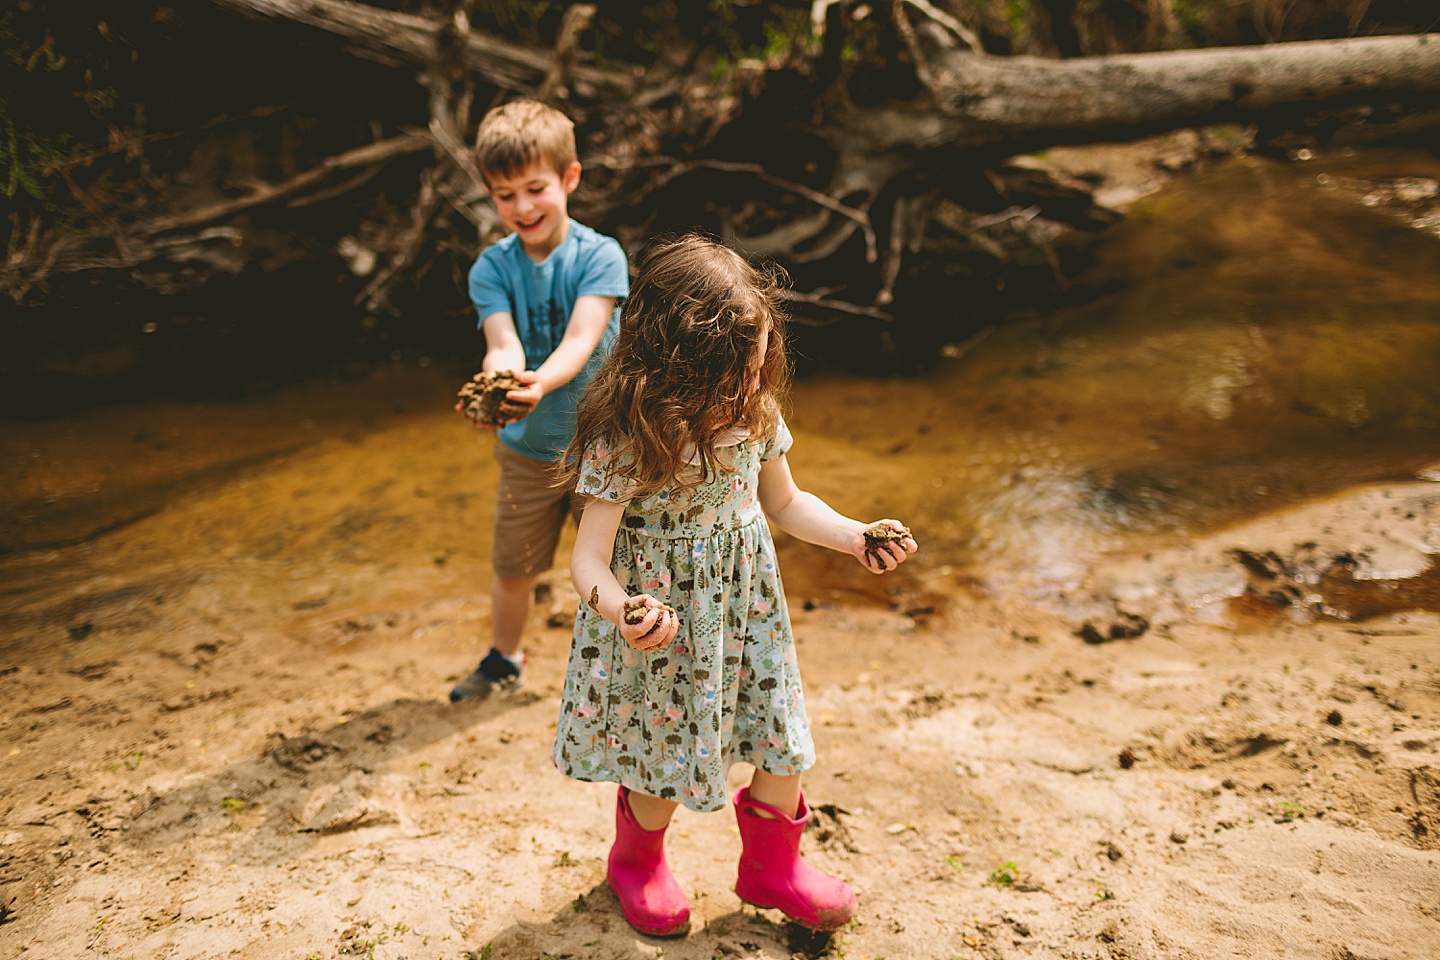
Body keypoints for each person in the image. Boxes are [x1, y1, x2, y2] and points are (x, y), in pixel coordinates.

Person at [552, 235, 918, 936]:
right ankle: (637, 863)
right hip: (663, 633)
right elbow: (586, 563)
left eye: (754, 371)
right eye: (727, 381)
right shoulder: (628, 438)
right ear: (667, 371)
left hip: (749, 619)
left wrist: (852, 535)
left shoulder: (756, 417)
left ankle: (772, 869)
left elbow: (784, 502)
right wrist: (621, 610)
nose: (746, 391)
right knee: (660, 759)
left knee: (783, 739)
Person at [448, 100, 629, 702]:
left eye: (534, 188)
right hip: (526, 450)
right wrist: (499, 386)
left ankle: (630, 659)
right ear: (489, 196)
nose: (522, 208)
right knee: (513, 565)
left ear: (569, 178)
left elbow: (582, 338)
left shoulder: (600, 256)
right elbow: (502, 343)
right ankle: (505, 658)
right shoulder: (490, 269)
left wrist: (540, 383)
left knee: (615, 564)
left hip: (602, 449)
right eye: (505, 195)